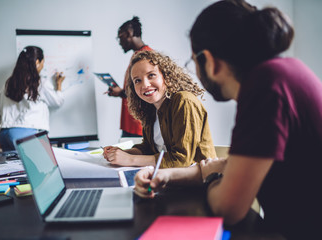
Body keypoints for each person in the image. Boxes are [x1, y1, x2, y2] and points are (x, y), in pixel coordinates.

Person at [134, 0, 322, 239]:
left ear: (209, 61)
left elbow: (228, 207)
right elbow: (234, 165)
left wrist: (213, 177)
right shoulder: (284, 73)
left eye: (194, 62)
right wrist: (165, 175)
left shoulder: (265, 89)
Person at [103, 51, 216, 168]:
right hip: (167, 179)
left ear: (166, 76)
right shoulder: (150, 109)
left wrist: (130, 160)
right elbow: (149, 149)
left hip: (198, 180)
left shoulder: (184, 101)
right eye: (137, 80)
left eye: (151, 75)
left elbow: (181, 160)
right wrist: (122, 153)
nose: (145, 85)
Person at [0, 46, 65, 152]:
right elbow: (58, 102)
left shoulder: (9, 83)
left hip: (5, 135)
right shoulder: (40, 83)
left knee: (11, 168)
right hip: (27, 135)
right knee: (36, 167)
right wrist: (59, 85)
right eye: (43, 62)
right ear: (37, 62)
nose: (43, 65)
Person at [108, 16, 153, 137]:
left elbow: (146, 91)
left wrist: (121, 93)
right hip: (131, 124)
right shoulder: (137, 56)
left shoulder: (146, 56)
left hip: (138, 126)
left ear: (129, 33)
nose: (119, 42)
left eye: (120, 37)